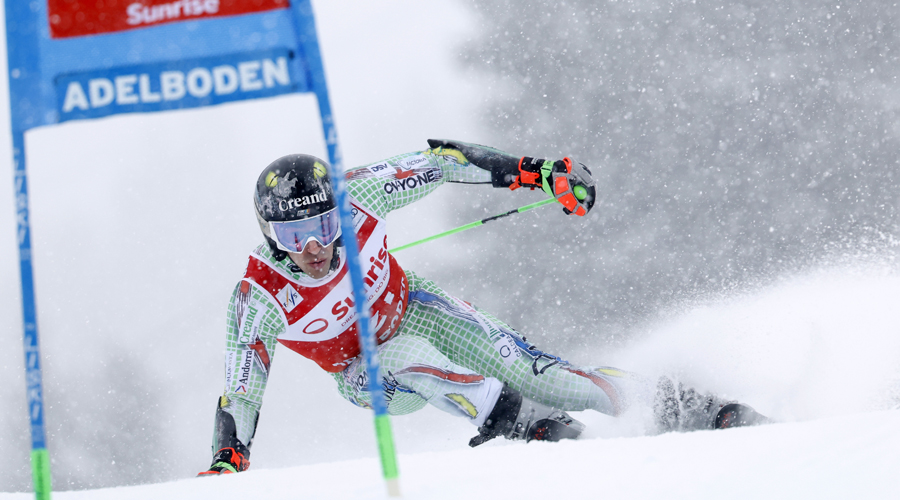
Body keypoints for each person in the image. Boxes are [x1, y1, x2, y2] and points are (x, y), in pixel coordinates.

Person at [199, 139, 768, 475]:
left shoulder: (359, 194)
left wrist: (540, 174)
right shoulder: (259, 295)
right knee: (402, 357)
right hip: (365, 374)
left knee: (539, 374)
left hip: (415, 305)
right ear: (270, 234)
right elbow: (242, 389)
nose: (315, 248)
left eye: (322, 226)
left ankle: (686, 406)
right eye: (295, 236)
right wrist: (230, 456)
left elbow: (441, 161)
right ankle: (517, 419)